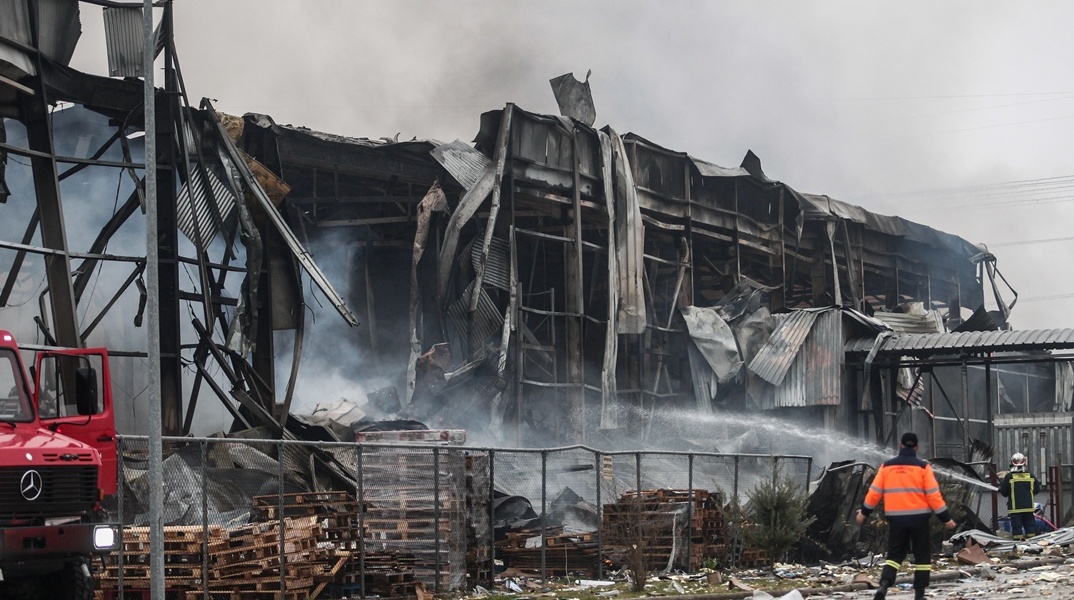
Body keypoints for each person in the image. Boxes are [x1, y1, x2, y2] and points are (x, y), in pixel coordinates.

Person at [856, 432, 956, 600]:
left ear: (900, 445)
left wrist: (864, 513)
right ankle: (919, 594)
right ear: (917, 447)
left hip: (896, 521)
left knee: (894, 556)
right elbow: (934, 496)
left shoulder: (886, 467)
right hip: (919, 520)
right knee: (922, 558)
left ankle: (883, 586)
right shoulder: (923, 467)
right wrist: (946, 519)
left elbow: (874, 493)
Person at [999, 453, 1041, 539]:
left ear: (1012, 462)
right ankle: (1031, 546)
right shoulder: (1030, 475)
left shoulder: (1009, 477)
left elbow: (1004, 492)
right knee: (1030, 529)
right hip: (1029, 508)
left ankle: (1019, 547)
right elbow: (1037, 490)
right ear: (1024, 462)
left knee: (1017, 530)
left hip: (1015, 509)